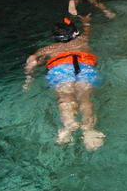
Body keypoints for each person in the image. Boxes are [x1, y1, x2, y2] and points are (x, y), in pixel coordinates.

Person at [23, 15, 105, 150]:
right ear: (74, 33)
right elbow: (87, 31)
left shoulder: (49, 49)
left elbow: (32, 58)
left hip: (61, 71)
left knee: (65, 99)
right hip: (83, 68)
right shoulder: (83, 41)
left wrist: (28, 78)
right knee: (85, 98)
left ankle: (69, 126)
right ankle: (89, 130)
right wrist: (86, 23)